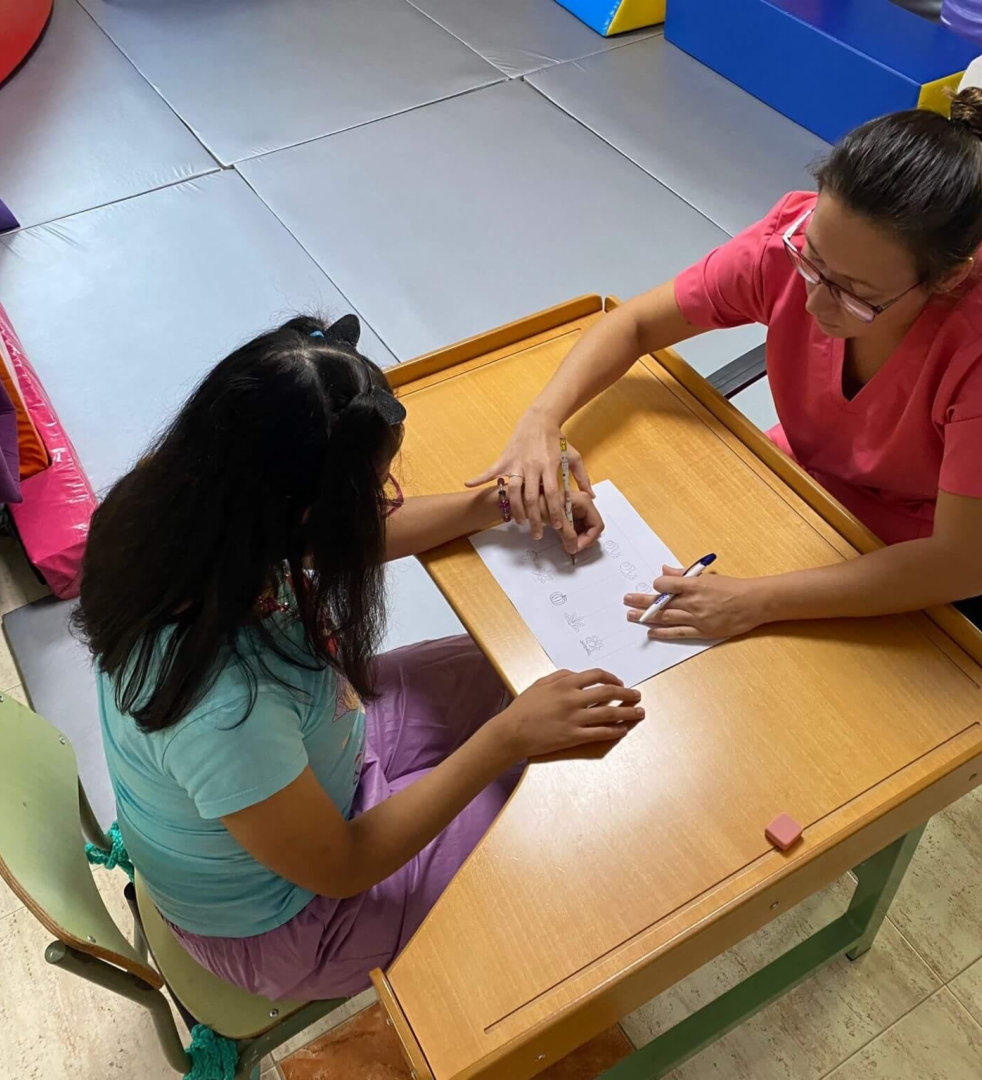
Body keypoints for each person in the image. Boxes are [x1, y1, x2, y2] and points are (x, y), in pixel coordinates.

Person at [74, 314, 641, 1000]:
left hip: (328, 746)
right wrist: (504, 741)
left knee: (522, 667)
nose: (385, 505)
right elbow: (343, 866)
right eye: (373, 494)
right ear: (304, 513)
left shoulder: (187, 504)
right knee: (552, 817)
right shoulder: (225, 712)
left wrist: (496, 503)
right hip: (294, 921)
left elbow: (345, 537)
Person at [472, 88, 982, 637]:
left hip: (947, 554)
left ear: (947, 278)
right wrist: (543, 420)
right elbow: (633, 323)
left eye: (856, 294)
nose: (812, 301)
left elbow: (959, 564)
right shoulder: (800, 241)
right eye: (810, 261)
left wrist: (758, 601)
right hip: (817, 489)